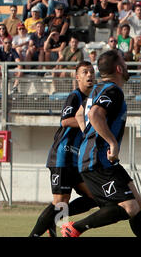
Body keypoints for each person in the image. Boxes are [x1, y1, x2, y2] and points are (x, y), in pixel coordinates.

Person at [61, 50, 141, 238]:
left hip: (102, 159)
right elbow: (94, 114)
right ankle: (75, 228)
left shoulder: (96, 90)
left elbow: (81, 114)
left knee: (138, 204)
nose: (127, 67)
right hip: (97, 160)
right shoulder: (112, 90)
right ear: (119, 68)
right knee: (129, 207)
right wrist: (112, 142)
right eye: (125, 64)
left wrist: (89, 134)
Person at [29, 61, 98, 237]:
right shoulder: (74, 96)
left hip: (76, 160)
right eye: (85, 72)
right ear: (77, 77)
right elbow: (65, 120)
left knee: (95, 196)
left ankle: (52, 221)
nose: (89, 75)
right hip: (62, 155)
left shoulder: (92, 100)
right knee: (60, 202)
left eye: (91, 71)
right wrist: (91, 124)